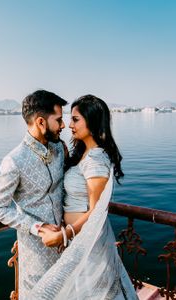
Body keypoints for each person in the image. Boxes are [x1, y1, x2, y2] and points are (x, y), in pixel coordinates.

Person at [30, 95, 138, 299]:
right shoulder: (82, 154)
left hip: (90, 242)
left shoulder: (96, 159)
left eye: (76, 119)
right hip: (78, 240)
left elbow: (96, 212)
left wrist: (66, 233)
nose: (70, 125)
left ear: (93, 121)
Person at [0, 90, 68, 299]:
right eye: (59, 120)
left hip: (67, 242)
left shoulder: (60, 149)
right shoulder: (14, 161)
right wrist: (37, 227)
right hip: (37, 253)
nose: (63, 125)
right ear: (41, 122)